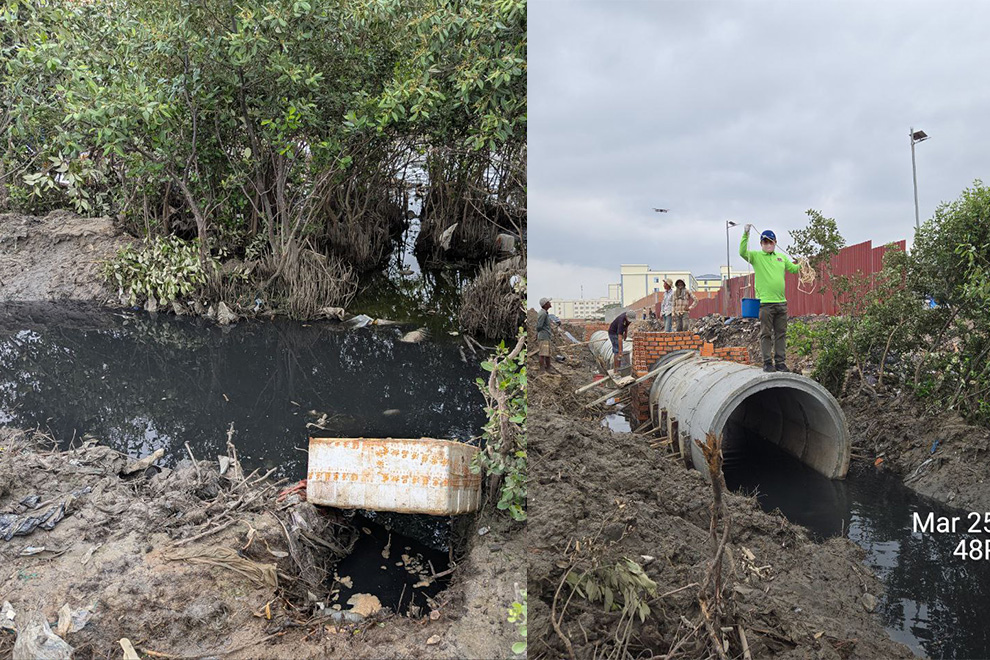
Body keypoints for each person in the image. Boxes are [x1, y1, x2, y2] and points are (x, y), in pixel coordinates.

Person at [739, 224, 802, 372]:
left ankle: (780, 362)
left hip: (781, 303)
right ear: (761, 244)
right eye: (765, 242)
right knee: (766, 333)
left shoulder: (781, 257)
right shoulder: (756, 256)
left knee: (781, 334)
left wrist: (802, 263)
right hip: (765, 303)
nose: (768, 244)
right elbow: (742, 252)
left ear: (775, 243)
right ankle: (767, 363)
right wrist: (745, 234)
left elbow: (793, 269)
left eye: (770, 241)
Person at [536, 297, 556, 373]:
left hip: (546, 336)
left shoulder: (545, 313)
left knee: (547, 354)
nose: (550, 303)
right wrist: (539, 333)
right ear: (545, 305)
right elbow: (539, 326)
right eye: (548, 302)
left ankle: (548, 369)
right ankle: (542, 370)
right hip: (543, 337)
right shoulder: (543, 314)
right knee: (542, 354)